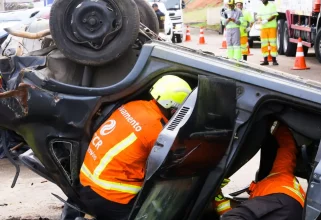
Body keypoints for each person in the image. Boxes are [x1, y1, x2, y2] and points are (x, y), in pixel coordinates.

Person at [61, 75, 192, 220]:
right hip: (109, 195)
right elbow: (172, 162)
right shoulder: (157, 128)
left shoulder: (134, 106)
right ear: (174, 109)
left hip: (86, 183)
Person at [221, 121, 306, 220]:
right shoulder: (281, 173)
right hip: (289, 207)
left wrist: (278, 124)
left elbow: (288, 147)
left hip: (286, 206)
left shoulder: (282, 173)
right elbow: (288, 148)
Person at [257, 0, 279, 65]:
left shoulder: (272, 5)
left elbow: (274, 15)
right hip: (263, 28)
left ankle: (274, 60)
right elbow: (258, 16)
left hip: (271, 27)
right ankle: (265, 60)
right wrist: (259, 20)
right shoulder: (260, 7)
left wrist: (266, 20)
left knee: (273, 44)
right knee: (264, 44)